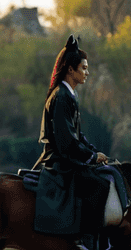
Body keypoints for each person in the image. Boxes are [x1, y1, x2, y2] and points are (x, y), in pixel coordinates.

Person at [33, 34, 109, 172]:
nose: (87, 73)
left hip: (69, 158)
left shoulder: (70, 94)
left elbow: (77, 135)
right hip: (59, 162)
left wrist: (94, 153)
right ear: (70, 69)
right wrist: (91, 156)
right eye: (84, 68)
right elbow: (67, 140)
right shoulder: (61, 96)